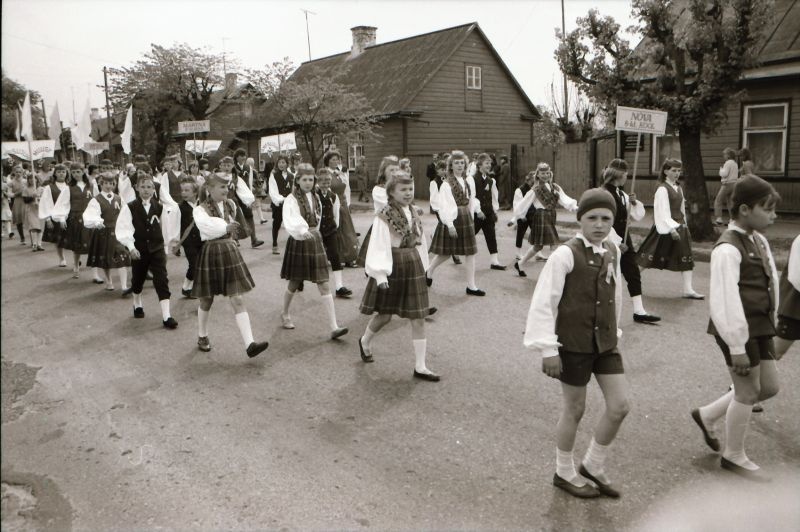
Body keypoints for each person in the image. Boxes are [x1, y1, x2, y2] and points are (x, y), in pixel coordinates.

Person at [524, 187, 628, 499]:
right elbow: (544, 302)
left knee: (620, 406)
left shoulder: (613, 250)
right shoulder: (566, 254)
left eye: (606, 218)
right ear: (579, 219)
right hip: (572, 343)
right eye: (592, 218)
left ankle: (593, 464)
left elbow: (616, 296)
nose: (599, 224)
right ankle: (563, 471)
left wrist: (615, 333)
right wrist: (547, 348)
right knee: (575, 408)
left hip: (605, 343)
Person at [690, 175, 781, 479]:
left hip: (760, 325)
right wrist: (737, 346)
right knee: (747, 391)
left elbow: (771, 281)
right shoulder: (727, 248)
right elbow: (725, 302)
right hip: (737, 332)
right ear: (744, 209)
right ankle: (734, 455)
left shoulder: (758, 239)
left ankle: (708, 414)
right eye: (767, 209)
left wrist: (774, 315)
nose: (773, 215)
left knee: (768, 387)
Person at [359, 169, 439, 381]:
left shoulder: (413, 211)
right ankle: (365, 340)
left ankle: (420, 366)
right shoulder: (384, 215)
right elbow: (379, 245)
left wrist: (423, 267)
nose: (408, 193)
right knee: (385, 315)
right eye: (402, 189)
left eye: (410, 189)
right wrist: (381, 274)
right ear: (391, 192)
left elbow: (418, 241)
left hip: (411, 263)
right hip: (392, 265)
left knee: (418, 316)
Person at [190, 171, 269, 358]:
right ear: (209, 189)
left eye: (227, 186)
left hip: (229, 250)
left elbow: (238, 227)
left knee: (237, 298)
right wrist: (225, 227)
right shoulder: (199, 209)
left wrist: (233, 231)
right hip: (211, 251)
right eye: (221, 186)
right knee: (207, 299)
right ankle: (202, 335)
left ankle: (250, 343)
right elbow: (205, 226)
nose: (225, 190)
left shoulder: (231, 205)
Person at [279, 163, 348, 339]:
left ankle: (334, 326)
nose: (308, 183)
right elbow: (290, 218)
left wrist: (317, 234)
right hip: (300, 240)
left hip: (314, 238)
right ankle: (285, 313)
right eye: (305, 179)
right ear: (298, 180)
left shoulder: (317, 197)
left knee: (323, 282)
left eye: (311, 179)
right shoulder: (291, 199)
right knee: (294, 282)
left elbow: (318, 218)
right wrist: (302, 231)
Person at [115, 172, 179, 328]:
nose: (146, 190)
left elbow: (165, 227)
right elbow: (124, 228)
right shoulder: (130, 207)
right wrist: (131, 247)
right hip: (139, 249)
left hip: (156, 248)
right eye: (142, 186)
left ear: (154, 189)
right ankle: (137, 303)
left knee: (161, 279)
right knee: (138, 279)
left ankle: (166, 315)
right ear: (136, 188)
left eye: (149, 187)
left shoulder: (160, 207)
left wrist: (167, 245)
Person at [602, 159, 660, 323]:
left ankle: (639, 311)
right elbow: (604, 221)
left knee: (633, 273)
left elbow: (636, 215)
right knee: (608, 275)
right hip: (610, 240)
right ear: (619, 175)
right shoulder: (605, 193)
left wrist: (633, 202)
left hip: (624, 240)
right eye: (626, 174)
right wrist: (615, 242)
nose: (627, 177)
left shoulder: (621, 193)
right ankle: (602, 312)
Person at [636, 158, 704, 299]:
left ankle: (688, 289)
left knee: (686, 256)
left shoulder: (678, 188)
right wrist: (671, 229)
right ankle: (633, 278)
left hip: (680, 225)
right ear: (666, 171)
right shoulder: (662, 189)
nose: (677, 173)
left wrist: (686, 227)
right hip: (665, 226)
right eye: (673, 170)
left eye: (679, 171)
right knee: (651, 254)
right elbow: (662, 211)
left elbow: (682, 210)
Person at [426, 150, 484, 296]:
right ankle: (429, 271)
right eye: (456, 163)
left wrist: (476, 211)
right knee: (445, 253)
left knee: (470, 253)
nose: (459, 165)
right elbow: (445, 206)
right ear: (450, 166)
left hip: (466, 217)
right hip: (453, 218)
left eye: (462, 163)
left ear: (465, 165)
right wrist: (450, 225)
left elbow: (472, 199)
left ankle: (471, 286)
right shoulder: (446, 184)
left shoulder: (467, 181)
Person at [514, 162, 578, 276]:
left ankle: (520, 263)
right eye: (542, 173)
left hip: (551, 215)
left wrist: (574, 207)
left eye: (547, 173)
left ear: (550, 174)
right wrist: (517, 216)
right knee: (554, 243)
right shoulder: (535, 189)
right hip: (541, 216)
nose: (545, 175)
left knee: (538, 246)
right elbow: (525, 203)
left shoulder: (554, 187)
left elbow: (563, 199)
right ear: (537, 175)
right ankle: (554, 271)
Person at [82, 173, 131, 292]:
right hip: (103, 232)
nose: (109, 186)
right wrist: (97, 222)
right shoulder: (96, 200)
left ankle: (124, 286)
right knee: (105, 258)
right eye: (106, 183)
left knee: (121, 256)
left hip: (117, 232)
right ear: (101, 184)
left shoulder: (119, 198)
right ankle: (109, 282)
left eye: (111, 183)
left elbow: (125, 213)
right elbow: (90, 214)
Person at [52, 162, 99, 279]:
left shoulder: (92, 185)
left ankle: (95, 273)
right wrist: (62, 218)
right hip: (76, 218)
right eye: (73, 172)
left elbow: (97, 201)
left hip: (90, 218)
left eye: (78, 171)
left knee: (93, 246)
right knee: (77, 245)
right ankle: (76, 266)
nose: (76, 174)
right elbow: (63, 204)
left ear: (83, 172)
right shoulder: (69, 188)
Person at [315, 168, 352, 299]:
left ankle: (339, 287)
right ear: (317, 182)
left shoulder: (333, 196)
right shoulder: (314, 196)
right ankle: (299, 280)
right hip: (317, 231)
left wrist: (334, 227)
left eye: (328, 181)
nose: (325, 183)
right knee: (312, 258)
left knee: (335, 256)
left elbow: (336, 214)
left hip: (330, 230)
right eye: (322, 181)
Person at [356, 156, 398, 267]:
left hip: (398, 222)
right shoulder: (379, 189)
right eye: (391, 170)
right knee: (380, 255)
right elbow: (389, 207)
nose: (394, 173)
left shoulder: (400, 187)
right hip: (384, 224)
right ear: (383, 172)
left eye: (396, 170)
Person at [325, 150, 359, 266]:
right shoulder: (326, 173)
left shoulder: (340, 173)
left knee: (347, 231)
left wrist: (347, 203)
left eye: (337, 159)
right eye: (333, 159)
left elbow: (347, 188)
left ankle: (349, 257)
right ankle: (337, 258)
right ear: (327, 161)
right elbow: (325, 190)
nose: (335, 161)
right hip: (333, 204)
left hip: (343, 204)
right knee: (336, 231)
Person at [472, 153, 506, 270]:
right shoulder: (472, 179)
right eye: (487, 163)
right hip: (476, 215)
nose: (489, 165)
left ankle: (494, 261)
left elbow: (494, 196)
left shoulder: (491, 180)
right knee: (468, 235)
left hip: (488, 213)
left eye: (490, 163)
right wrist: (478, 210)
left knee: (491, 236)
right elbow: (472, 197)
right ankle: (453, 251)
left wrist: (494, 211)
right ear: (479, 165)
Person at [173, 178, 203, 299]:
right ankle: (187, 287)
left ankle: (187, 287)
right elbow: (175, 226)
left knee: (199, 264)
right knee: (194, 263)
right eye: (182, 190)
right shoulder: (179, 207)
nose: (183, 193)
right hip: (188, 240)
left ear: (195, 192)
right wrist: (176, 243)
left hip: (202, 238)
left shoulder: (202, 204)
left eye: (187, 190)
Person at [428, 159, 461, 265]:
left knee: (449, 229)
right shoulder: (434, 182)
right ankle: (453, 254)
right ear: (437, 170)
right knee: (448, 229)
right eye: (442, 169)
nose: (444, 171)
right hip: (441, 210)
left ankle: (435, 240)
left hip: (449, 209)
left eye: (445, 169)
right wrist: (438, 210)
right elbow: (433, 199)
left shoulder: (449, 180)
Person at [231, 149, 264, 248]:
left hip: (245, 196)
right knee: (236, 217)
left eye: (244, 156)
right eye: (241, 156)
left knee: (249, 216)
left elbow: (250, 182)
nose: (244, 158)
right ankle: (235, 239)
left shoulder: (248, 167)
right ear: (236, 157)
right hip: (235, 196)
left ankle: (254, 239)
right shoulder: (232, 167)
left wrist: (250, 195)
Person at [508, 171, 537, 277]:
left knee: (535, 233)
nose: (533, 182)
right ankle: (518, 252)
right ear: (527, 179)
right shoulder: (519, 190)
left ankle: (537, 251)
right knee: (520, 233)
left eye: (535, 180)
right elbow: (517, 204)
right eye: (532, 180)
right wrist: (520, 216)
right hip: (523, 215)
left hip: (532, 214)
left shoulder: (534, 189)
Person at [268, 155, 293, 255]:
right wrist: (281, 199)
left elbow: (294, 190)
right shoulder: (273, 175)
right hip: (278, 204)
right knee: (277, 224)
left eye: (283, 162)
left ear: (287, 163)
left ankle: (293, 246)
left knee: (291, 224)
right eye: (279, 162)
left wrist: (291, 200)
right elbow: (273, 191)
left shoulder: (291, 176)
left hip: (289, 204)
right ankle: (274, 244)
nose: (281, 164)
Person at [714, 148, 739, 226]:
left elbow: (724, 174)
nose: (723, 156)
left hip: (727, 184)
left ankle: (719, 219)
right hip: (734, 183)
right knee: (730, 202)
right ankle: (732, 220)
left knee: (718, 200)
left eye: (724, 154)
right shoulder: (735, 164)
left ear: (728, 155)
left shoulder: (727, 163)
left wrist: (721, 170)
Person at [247, 157, 268, 225]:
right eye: (249, 164)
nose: (250, 165)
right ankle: (247, 219)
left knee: (258, 204)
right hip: (247, 191)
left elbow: (259, 180)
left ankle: (261, 218)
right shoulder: (244, 171)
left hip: (255, 191)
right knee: (248, 205)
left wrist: (259, 185)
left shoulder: (254, 172)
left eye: (252, 164)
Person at [10, 164, 27, 246]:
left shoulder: (26, 181)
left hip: (26, 201)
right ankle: (22, 237)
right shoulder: (11, 182)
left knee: (29, 219)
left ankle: (33, 239)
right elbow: (10, 194)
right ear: (14, 172)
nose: (18, 173)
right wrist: (17, 193)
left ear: (22, 172)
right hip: (17, 202)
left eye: (20, 172)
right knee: (19, 221)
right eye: (16, 172)